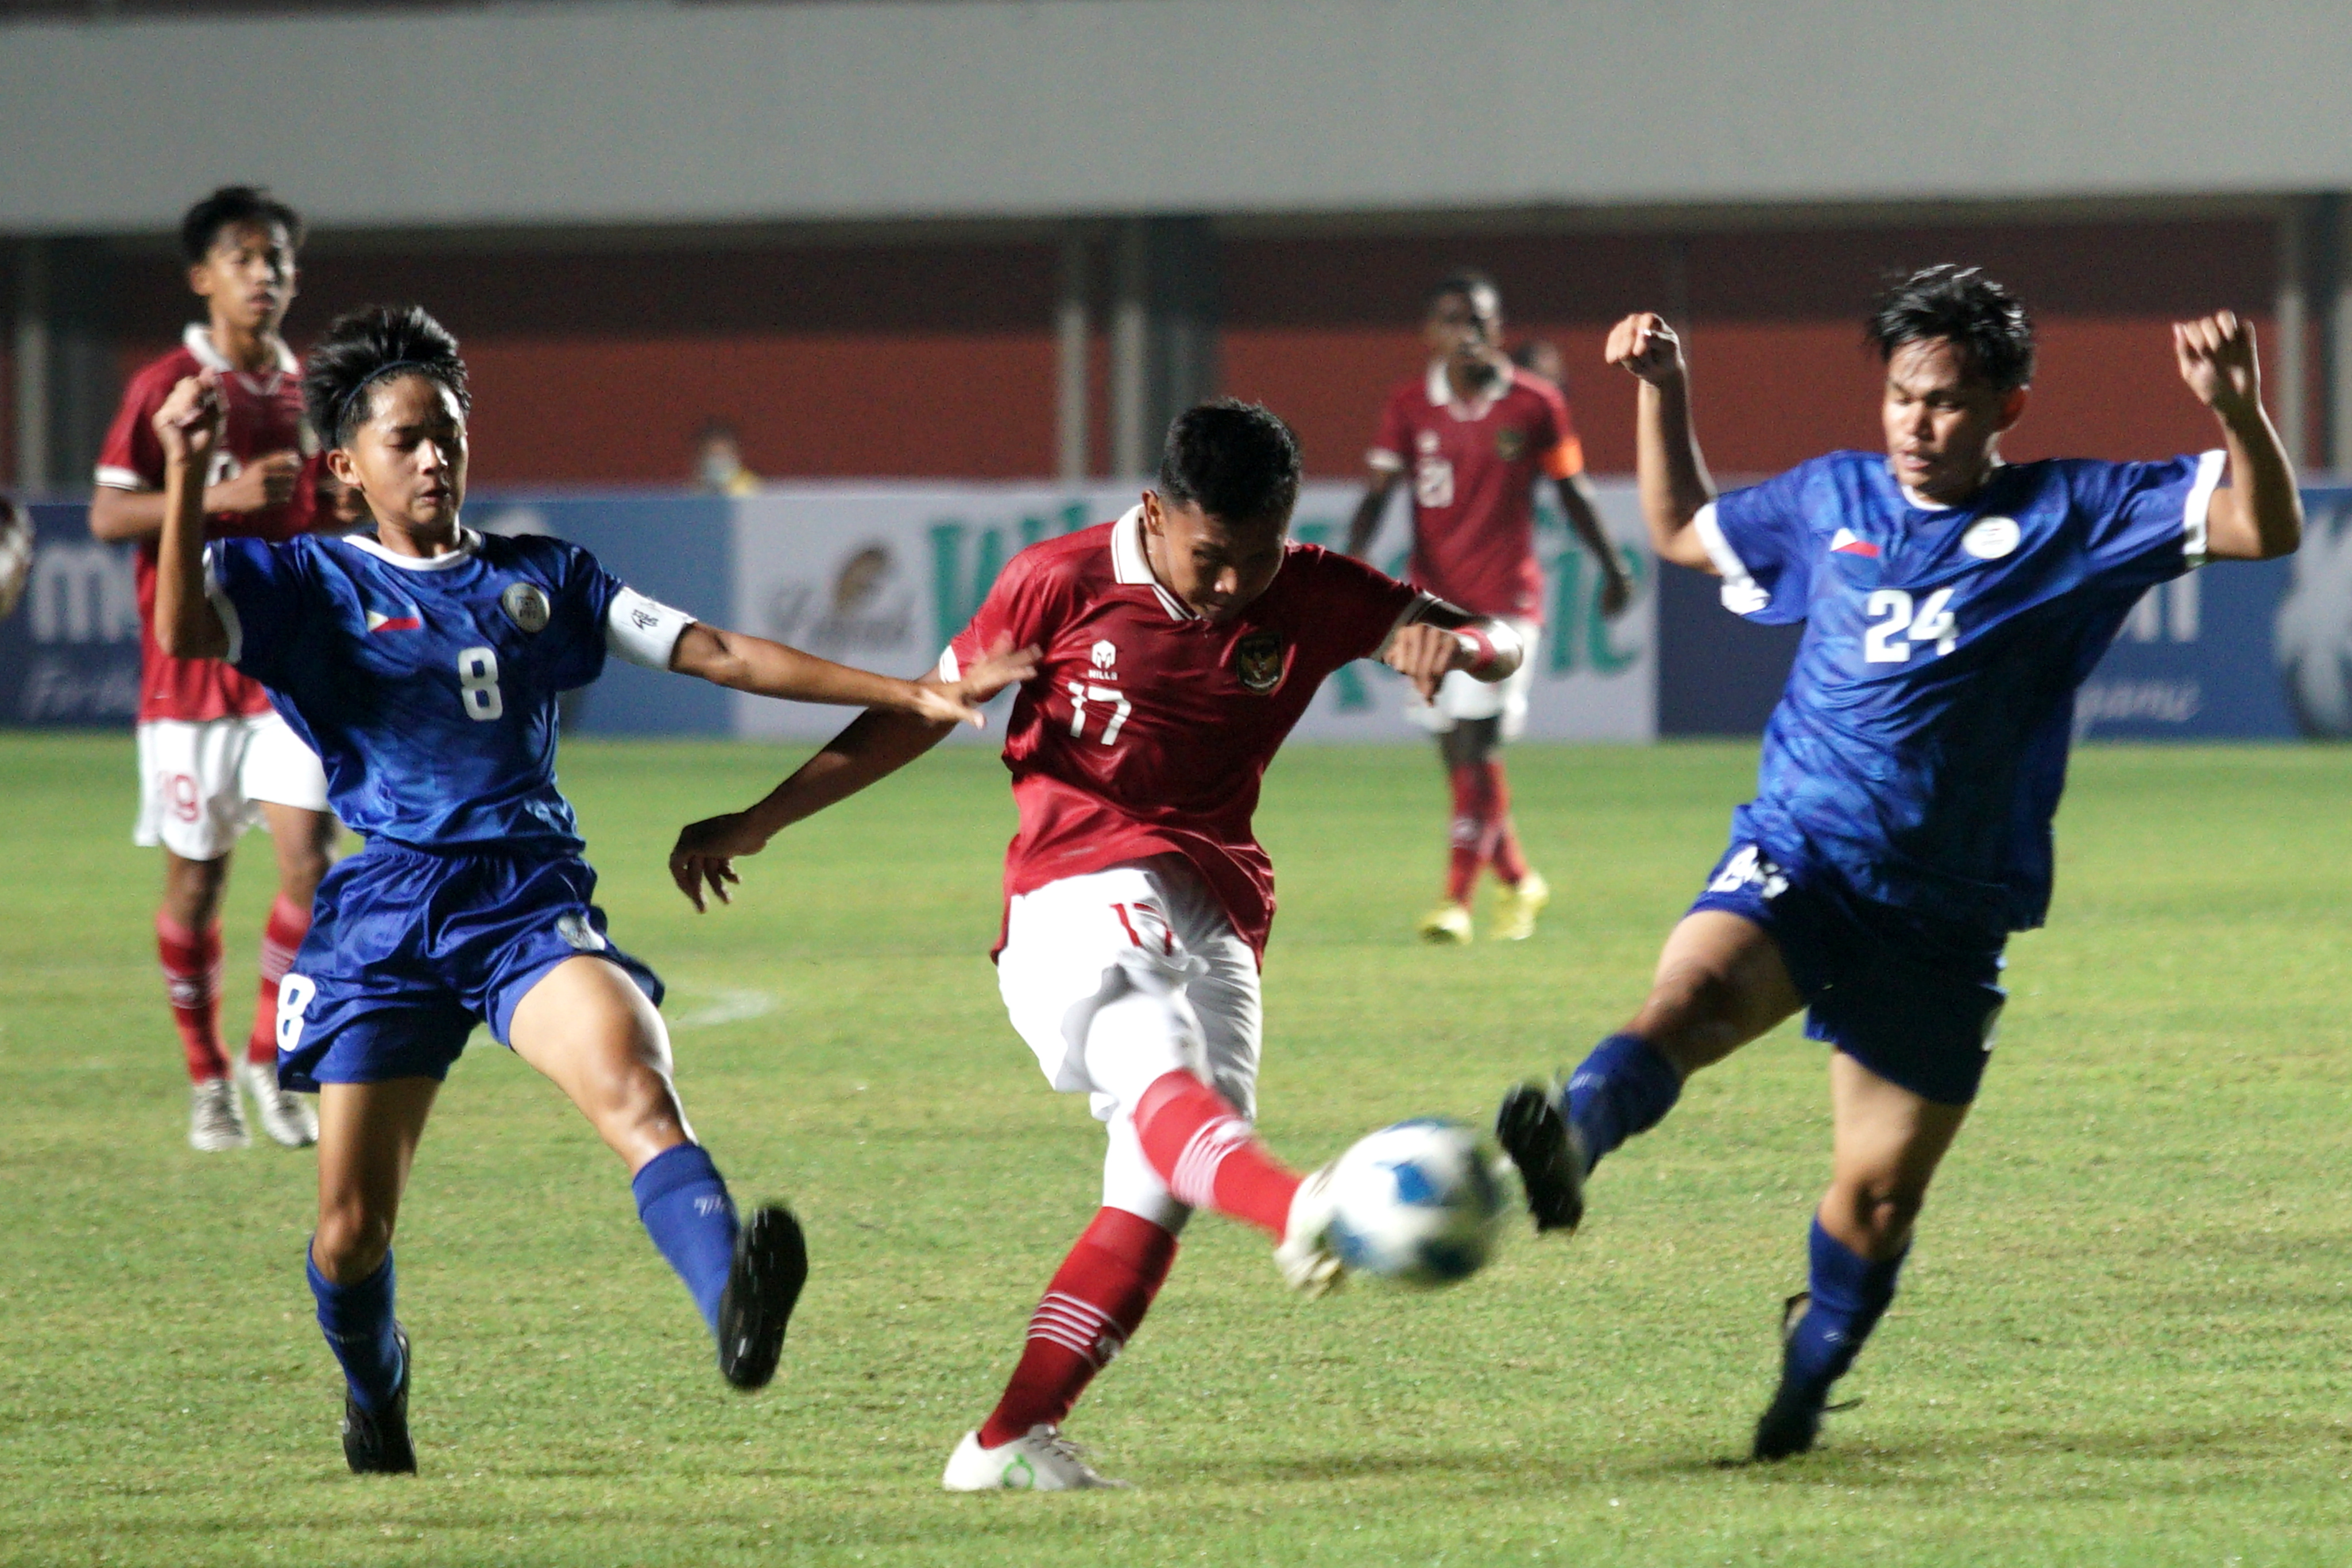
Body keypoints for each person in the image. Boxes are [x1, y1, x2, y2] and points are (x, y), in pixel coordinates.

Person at [145, 303, 1036, 1475]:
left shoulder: (542, 577)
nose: (434, 457)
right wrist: (182, 469)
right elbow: (179, 624)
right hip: (388, 917)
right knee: (351, 1233)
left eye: (448, 435)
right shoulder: (308, 578)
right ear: (344, 468)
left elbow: (711, 650)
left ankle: (732, 1307)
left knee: (637, 1085)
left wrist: (906, 691)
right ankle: (377, 1389)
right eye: (407, 438)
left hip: (526, 902)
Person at [1493, 267, 2301, 1460]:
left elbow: (2262, 525)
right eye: (1901, 398)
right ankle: (1573, 1137)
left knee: (1874, 1202)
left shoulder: (2072, 514)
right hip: (1802, 851)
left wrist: (2234, 410)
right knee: (1692, 996)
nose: (1916, 425)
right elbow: (1677, 532)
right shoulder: (1831, 498)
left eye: (1946, 404)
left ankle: (1804, 1385)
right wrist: (1662, 393)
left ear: (2005, 409)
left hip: (1943, 911)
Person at [668, 400, 1529, 1491]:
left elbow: (1500, 642)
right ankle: (1307, 1207)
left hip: (1217, 896)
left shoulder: (1310, 584)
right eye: (1211, 558)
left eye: (1255, 559)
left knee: (1163, 1177)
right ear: (1154, 513)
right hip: (1074, 878)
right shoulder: (1058, 579)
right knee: (1160, 1067)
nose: (1231, 587)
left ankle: (1006, 1440)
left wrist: (1451, 638)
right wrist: (760, 819)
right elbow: (921, 710)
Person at [90, 185, 337, 1153]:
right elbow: (110, 517)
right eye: (244, 258)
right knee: (197, 883)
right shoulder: (167, 385)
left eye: (277, 258)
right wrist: (221, 489)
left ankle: (269, 1061)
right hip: (188, 672)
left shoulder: (310, 390)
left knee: (310, 863)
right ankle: (207, 1081)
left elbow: (321, 514)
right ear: (204, 278)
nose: (265, 274)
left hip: (279, 668)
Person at [1346, 271, 1633, 945]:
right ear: (1430, 333)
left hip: (1508, 607)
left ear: (1499, 329)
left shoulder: (1534, 404)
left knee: (1478, 745)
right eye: (1451, 320)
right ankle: (1519, 879)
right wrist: (1343, 573)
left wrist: (1613, 566)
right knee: (1457, 758)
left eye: (1478, 320)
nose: (1467, 333)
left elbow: (1573, 490)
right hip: (1429, 609)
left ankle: (1455, 903)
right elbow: (1377, 494)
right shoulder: (1410, 404)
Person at [692, 420, 760, 496]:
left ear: (736, 455)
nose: (719, 461)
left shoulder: (752, 488)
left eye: (723, 454)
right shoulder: (693, 490)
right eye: (714, 454)